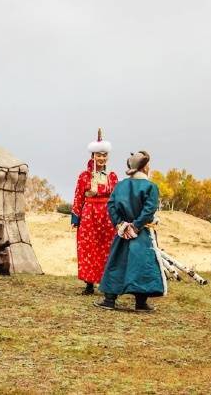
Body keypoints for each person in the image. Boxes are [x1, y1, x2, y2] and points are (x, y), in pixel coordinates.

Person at [95, 151, 167, 312]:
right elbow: (149, 210)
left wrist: (121, 225)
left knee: (117, 262)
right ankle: (141, 302)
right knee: (143, 265)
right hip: (141, 234)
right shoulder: (151, 187)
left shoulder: (120, 185)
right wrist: (135, 226)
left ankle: (109, 300)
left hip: (122, 233)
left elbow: (111, 205)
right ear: (144, 166)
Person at [71, 129, 118, 295]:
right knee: (89, 248)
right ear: (92, 156)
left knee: (107, 248)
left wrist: (118, 217)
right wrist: (75, 217)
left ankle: (107, 283)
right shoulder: (84, 176)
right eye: (98, 155)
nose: (102, 158)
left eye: (104, 155)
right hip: (89, 215)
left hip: (107, 216)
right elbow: (78, 196)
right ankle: (89, 283)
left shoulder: (112, 176)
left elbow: (116, 197)